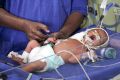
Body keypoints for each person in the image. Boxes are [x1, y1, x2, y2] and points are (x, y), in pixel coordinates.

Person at [0, 0, 88, 56]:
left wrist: (64, 33)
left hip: (58, 51)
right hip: (14, 50)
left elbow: (78, 9)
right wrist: (23, 25)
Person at [8, 27, 109, 72]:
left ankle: (16, 74)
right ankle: (24, 58)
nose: (96, 33)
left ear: (97, 47)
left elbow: (71, 59)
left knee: (35, 65)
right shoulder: (73, 39)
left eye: (99, 36)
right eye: (94, 31)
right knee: (33, 43)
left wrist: (86, 55)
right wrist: (51, 41)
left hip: (50, 60)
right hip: (44, 50)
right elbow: (58, 43)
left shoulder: (85, 50)